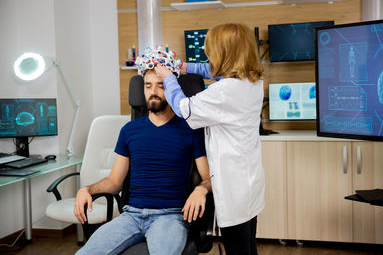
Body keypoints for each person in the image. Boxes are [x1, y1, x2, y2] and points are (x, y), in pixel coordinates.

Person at [155, 23, 265, 255]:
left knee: (238, 248)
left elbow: (184, 108)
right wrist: (182, 66)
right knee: (248, 242)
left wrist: (168, 78)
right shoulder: (252, 81)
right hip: (249, 178)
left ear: (225, 53)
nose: (208, 55)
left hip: (233, 183)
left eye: (212, 51)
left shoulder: (224, 91)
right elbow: (213, 71)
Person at [74, 69, 211, 255]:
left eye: (160, 85)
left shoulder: (190, 129)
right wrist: (87, 190)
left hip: (170, 216)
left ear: (172, 88)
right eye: (148, 86)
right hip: (131, 215)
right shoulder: (129, 130)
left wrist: (201, 189)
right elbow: (114, 182)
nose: (153, 91)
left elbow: (208, 178)